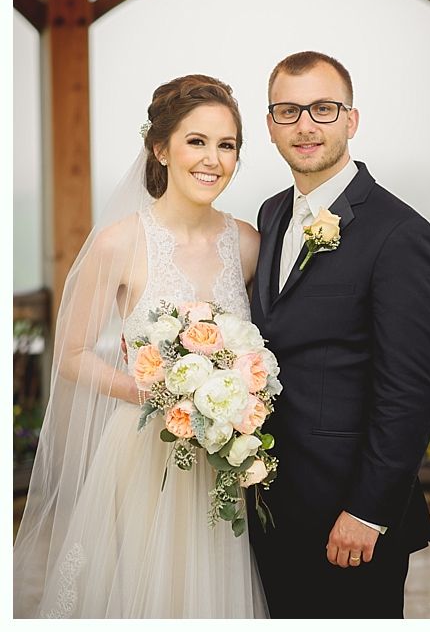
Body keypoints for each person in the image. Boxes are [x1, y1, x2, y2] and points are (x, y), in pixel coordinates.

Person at [13, 75, 268, 617]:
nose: (212, 160)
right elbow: (73, 352)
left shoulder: (247, 244)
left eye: (227, 145)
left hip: (224, 462)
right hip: (143, 457)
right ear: (161, 147)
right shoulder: (121, 242)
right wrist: (158, 394)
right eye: (196, 141)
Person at [246, 51, 430, 619]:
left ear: (351, 120)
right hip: (271, 503)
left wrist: (368, 511)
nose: (305, 125)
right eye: (289, 111)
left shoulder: (399, 231)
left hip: (351, 520)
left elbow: (411, 389)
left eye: (323, 109)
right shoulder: (272, 214)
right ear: (271, 126)